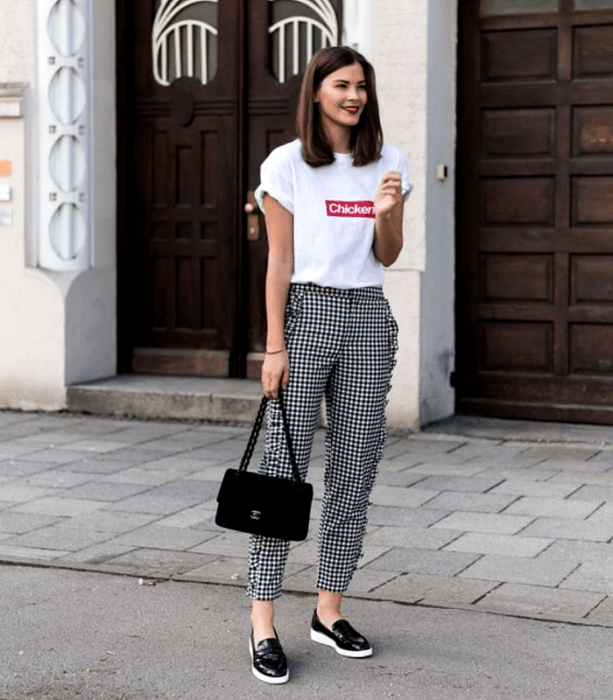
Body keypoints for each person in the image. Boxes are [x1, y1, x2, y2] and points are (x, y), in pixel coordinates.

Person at [248, 45, 412, 684]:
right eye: (342, 85)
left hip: (368, 316)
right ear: (316, 91)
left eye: (363, 87)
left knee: (354, 470)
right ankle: (264, 621)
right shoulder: (286, 165)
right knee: (282, 472)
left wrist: (387, 215)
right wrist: (274, 343)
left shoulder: (388, 161)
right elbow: (280, 262)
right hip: (308, 316)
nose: (355, 97)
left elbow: (389, 254)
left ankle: (328, 611)